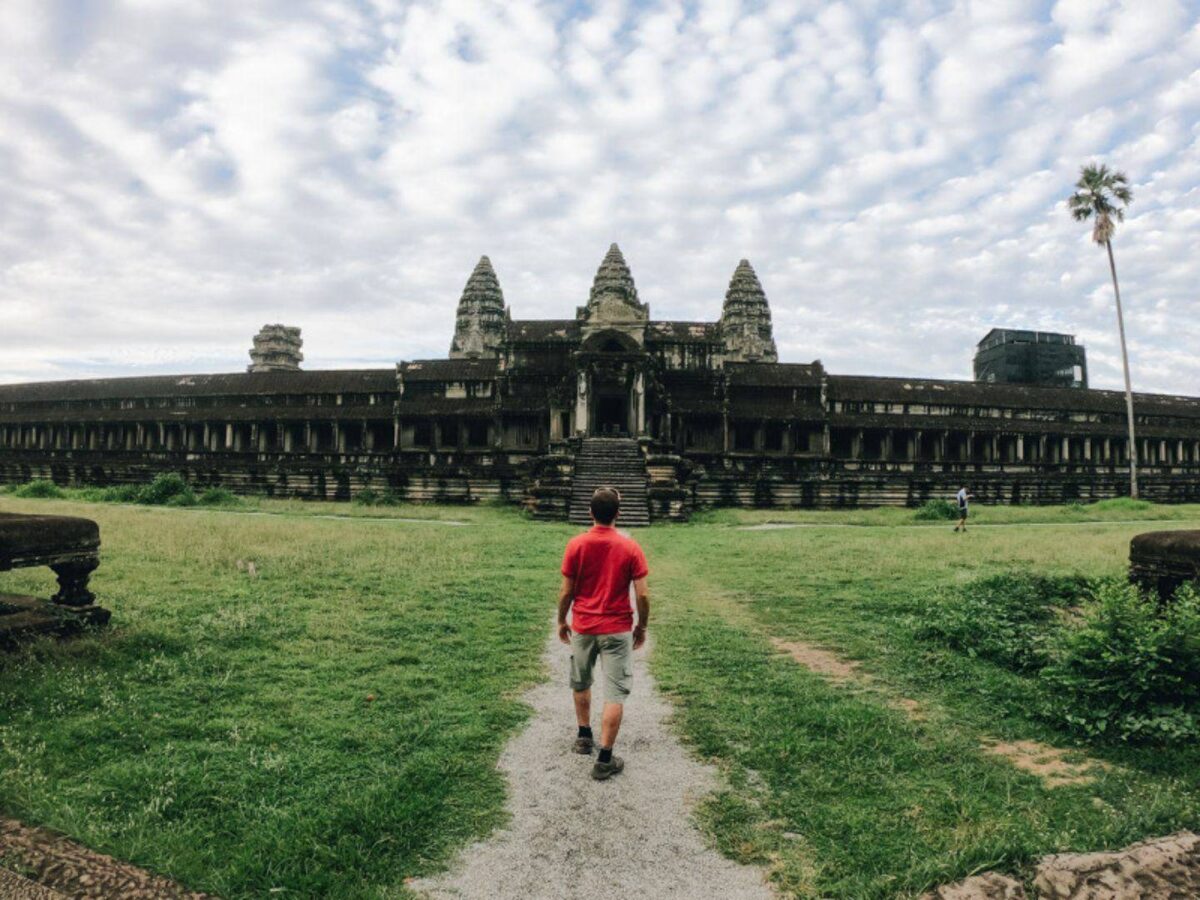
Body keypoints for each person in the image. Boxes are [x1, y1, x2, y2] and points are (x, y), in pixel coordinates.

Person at [557, 486, 650, 781]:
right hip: (617, 628)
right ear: (618, 515)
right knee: (614, 692)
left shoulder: (576, 544)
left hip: (583, 626)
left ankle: (584, 736)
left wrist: (562, 620)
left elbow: (566, 591)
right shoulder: (629, 547)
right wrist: (642, 626)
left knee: (581, 680)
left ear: (590, 512)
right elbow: (643, 595)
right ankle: (605, 758)